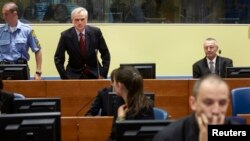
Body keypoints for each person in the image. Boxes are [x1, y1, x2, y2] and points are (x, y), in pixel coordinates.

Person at [153, 74, 235, 141]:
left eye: (222, 103)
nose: (216, 111)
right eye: (208, 103)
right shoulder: (167, 137)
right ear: (193, 103)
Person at [54, 7, 110, 79]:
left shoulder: (96, 32)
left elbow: (106, 54)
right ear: (72, 21)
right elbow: (58, 58)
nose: (79, 22)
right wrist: (65, 76)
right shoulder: (65, 35)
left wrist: (103, 73)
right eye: (77, 20)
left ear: (86, 20)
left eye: (82, 19)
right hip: (73, 74)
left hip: (95, 73)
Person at [109, 66, 154, 141]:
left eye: (113, 81)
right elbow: (112, 136)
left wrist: (120, 119)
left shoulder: (144, 108)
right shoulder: (120, 104)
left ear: (119, 85)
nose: (112, 84)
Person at [0, 2, 42, 80]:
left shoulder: (27, 30)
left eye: (6, 14)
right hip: (3, 69)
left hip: (21, 69)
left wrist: (38, 72)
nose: (3, 17)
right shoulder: (1, 31)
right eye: (3, 14)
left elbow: (38, 50)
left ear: (14, 14)